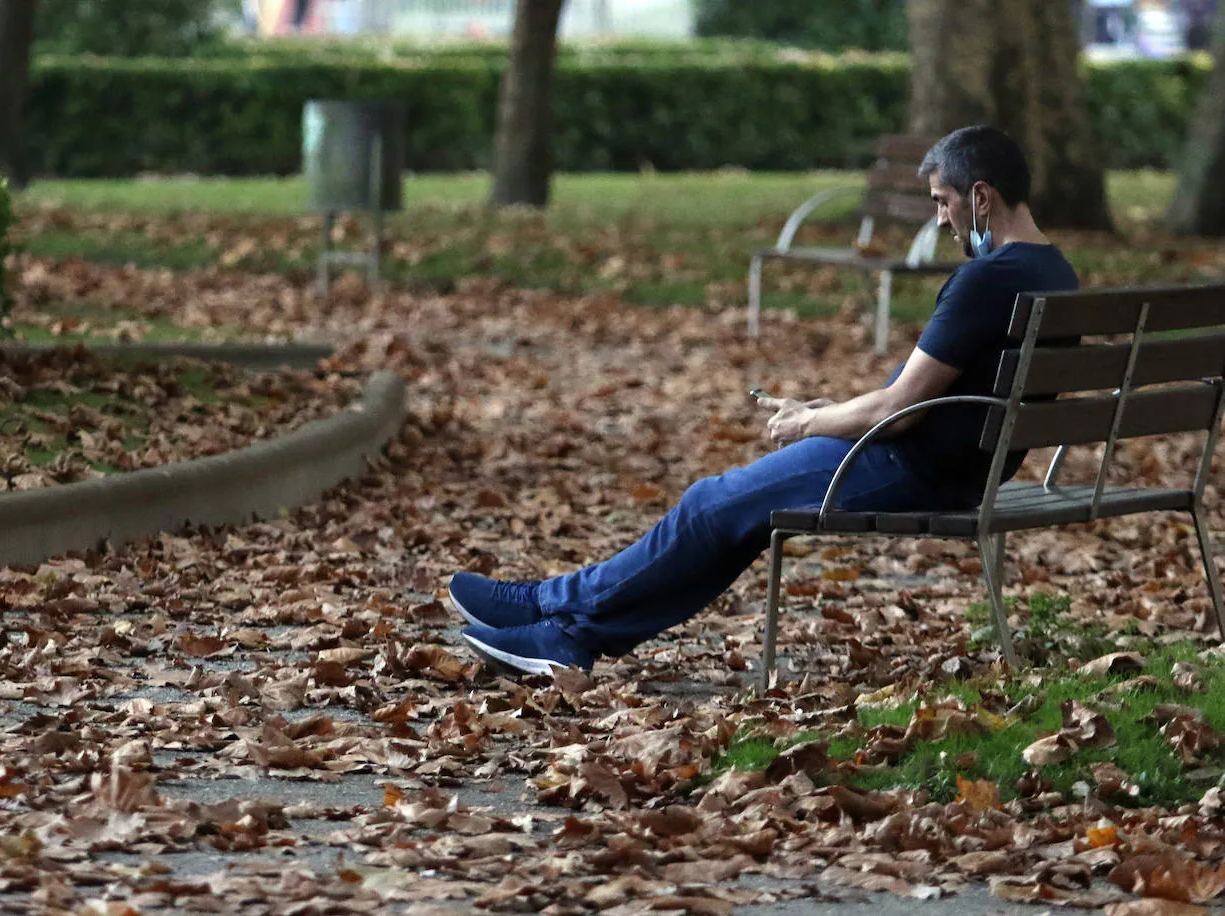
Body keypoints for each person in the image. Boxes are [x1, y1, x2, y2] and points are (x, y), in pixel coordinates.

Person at [447, 125, 1080, 677]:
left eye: (944, 203)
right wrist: (835, 409)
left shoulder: (984, 279)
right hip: (961, 463)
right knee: (731, 516)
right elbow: (935, 394)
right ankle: (560, 621)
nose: (941, 220)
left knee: (709, 505)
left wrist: (811, 421)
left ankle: (555, 617)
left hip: (914, 466)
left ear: (980, 196)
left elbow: (899, 408)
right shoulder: (1054, 272)